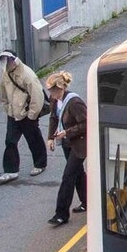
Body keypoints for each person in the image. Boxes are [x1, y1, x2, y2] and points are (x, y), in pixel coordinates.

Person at [0, 50, 48, 184]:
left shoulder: (27, 75)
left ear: (15, 60)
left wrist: (32, 115)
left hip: (27, 113)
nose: (7, 64)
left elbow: (38, 96)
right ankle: (11, 170)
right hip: (13, 113)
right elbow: (3, 93)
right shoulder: (5, 74)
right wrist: (8, 108)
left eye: (9, 60)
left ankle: (40, 164)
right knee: (10, 141)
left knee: (33, 139)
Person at [45, 71, 88, 226]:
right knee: (77, 173)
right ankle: (87, 201)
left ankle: (61, 214)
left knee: (68, 176)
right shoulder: (55, 100)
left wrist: (67, 132)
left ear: (61, 87)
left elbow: (86, 124)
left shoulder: (75, 103)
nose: (51, 93)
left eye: (53, 90)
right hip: (67, 142)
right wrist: (50, 137)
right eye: (49, 90)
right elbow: (53, 117)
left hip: (80, 144)